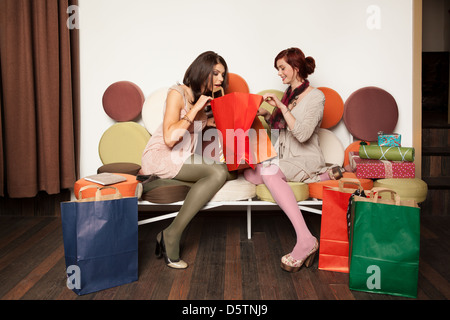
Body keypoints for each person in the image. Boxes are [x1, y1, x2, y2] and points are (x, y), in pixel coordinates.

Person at [244, 47, 341, 273]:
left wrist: (281, 107)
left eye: (282, 68)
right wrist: (268, 115)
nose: (279, 73)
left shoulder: (316, 97)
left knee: (267, 173)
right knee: (249, 171)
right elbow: (281, 132)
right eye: (278, 69)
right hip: (285, 157)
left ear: (296, 68)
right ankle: (320, 177)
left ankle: (305, 238)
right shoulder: (289, 95)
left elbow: (303, 134)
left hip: (305, 157)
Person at [140, 51, 232, 269]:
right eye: (216, 73)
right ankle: (172, 235)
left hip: (181, 158)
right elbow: (171, 139)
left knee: (229, 171)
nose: (221, 79)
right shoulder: (177, 93)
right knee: (218, 172)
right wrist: (197, 109)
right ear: (202, 70)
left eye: (223, 75)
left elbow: (220, 127)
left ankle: (155, 183)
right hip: (160, 155)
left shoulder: (204, 102)